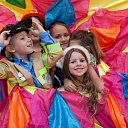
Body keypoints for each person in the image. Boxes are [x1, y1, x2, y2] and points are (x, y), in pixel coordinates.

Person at [0, 19, 63, 127]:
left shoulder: (39, 57)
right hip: (23, 113)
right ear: (10, 48)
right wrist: (0, 44)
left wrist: (43, 34)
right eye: (22, 38)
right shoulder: (6, 66)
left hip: (46, 107)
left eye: (28, 37)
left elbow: (57, 52)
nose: (29, 40)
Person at [64, 30, 128, 126]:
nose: (72, 52)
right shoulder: (75, 66)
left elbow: (104, 91)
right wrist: (66, 80)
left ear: (87, 50)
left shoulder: (96, 69)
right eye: (70, 48)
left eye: (75, 49)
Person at [59, 45, 120, 128]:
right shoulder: (63, 92)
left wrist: (90, 67)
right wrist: (65, 80)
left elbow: (104, 92)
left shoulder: (96, 85)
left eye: (82, 60)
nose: (78, 64)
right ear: (66, 67)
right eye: (73, 62)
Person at [48, 21, 71, 88]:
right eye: (58, 37)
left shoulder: (78, 53)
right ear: (50, 39)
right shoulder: (48, 59)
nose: (63, 39)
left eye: (66, 35)